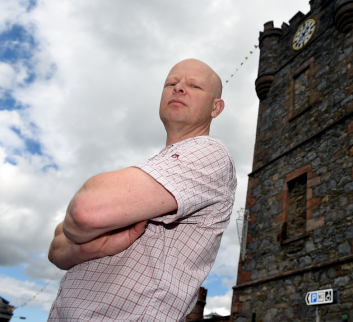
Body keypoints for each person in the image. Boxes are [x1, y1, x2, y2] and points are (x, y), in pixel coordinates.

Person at [47, 59, 237, 321]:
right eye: (172, 83)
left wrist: (80, 234)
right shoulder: (160, 167)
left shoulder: (210, 153)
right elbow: (54, 249)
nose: (179, 88)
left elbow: (86, 210)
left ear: (216, 107)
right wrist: (87, 248)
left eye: (194, 85)